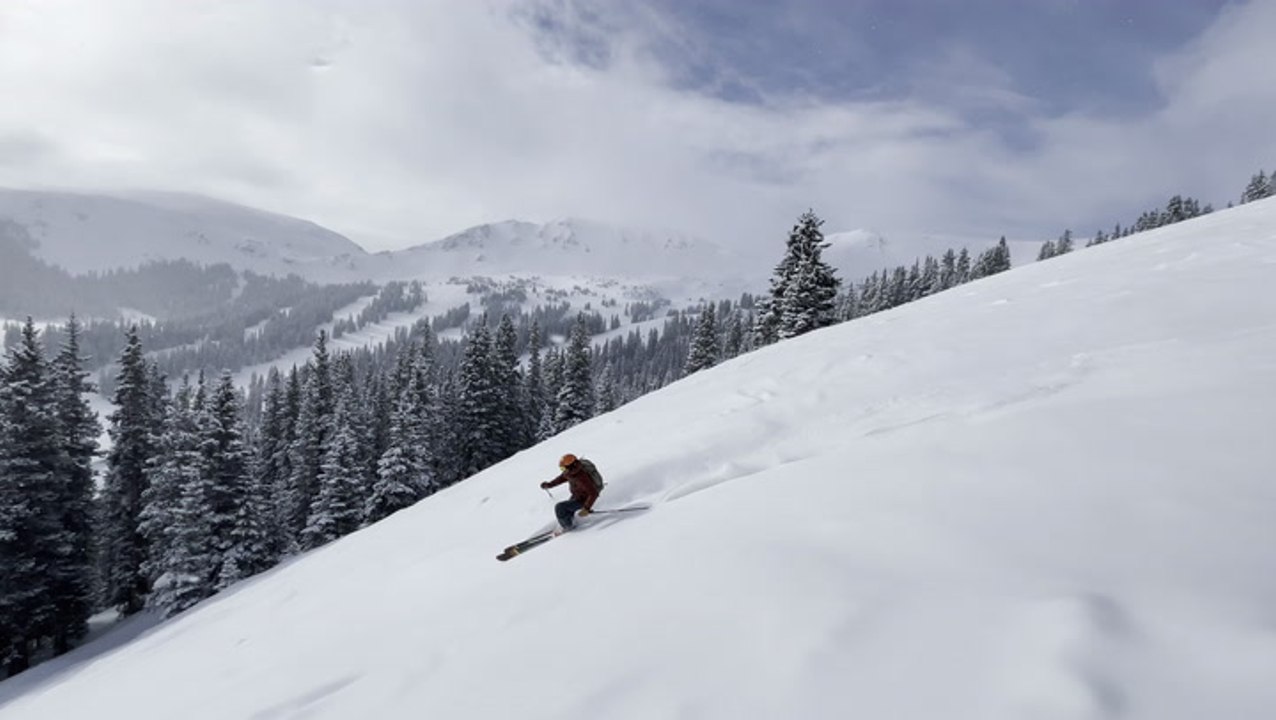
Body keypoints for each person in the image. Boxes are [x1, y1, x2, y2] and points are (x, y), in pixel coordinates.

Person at [540, 453, 602, 532]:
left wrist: (586, 508)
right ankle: (570, 522)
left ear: (571, 466)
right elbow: (560, 479)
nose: (563, 470)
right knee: (566, 509)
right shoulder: (570, 472)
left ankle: (568, 527)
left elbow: (593, 493)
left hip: (583, 500)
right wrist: (549, 485)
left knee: (560, 507)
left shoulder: (581, 476)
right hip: (577, 496)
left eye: (563, 468)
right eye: (562, 469)